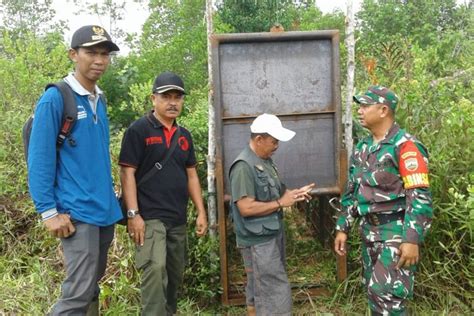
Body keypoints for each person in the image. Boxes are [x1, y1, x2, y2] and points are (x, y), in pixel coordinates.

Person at [27, 25, 122, 315]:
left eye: (104, 54)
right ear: (73, 54)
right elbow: (39, 158)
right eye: (91, 52)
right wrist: (48, 210)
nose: (99, 60)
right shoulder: (57, 98)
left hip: (103, 210)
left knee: (91, 288)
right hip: (77, 212)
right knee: (77, 295)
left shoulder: (99, 99)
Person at [334, 86, 433, 315]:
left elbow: (419, 196)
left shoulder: (406, 147)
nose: (360, 111)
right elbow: (352, 191)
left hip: (395, 232)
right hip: (369, 231)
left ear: (383, 110)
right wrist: (343, 227)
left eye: (365, 106)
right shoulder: (363, 148)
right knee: (375, 296)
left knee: (387, 296)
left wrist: (411, 239)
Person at [119, 71, 208, 315]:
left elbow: (191, 175)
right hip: (149, 217)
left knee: (174, 272)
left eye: (177, 97)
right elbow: (127, 173)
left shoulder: (185, 136)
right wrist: (133, 214)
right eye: (166, 96)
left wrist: (201, 212)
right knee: (155, 269)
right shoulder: (139, 130)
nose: (172, 102)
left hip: (177, 218)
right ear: (153, 99)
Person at [229, 113, 315, 316]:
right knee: (273, 290)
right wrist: (280, 203)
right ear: (259, 139)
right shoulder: (243, 166)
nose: (277, 146)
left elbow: (276, 193)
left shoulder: (264, 161)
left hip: (268, 235)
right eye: (274, 141)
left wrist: (294, 195)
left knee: (259, 285)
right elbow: (245, 207)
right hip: (257, 240)